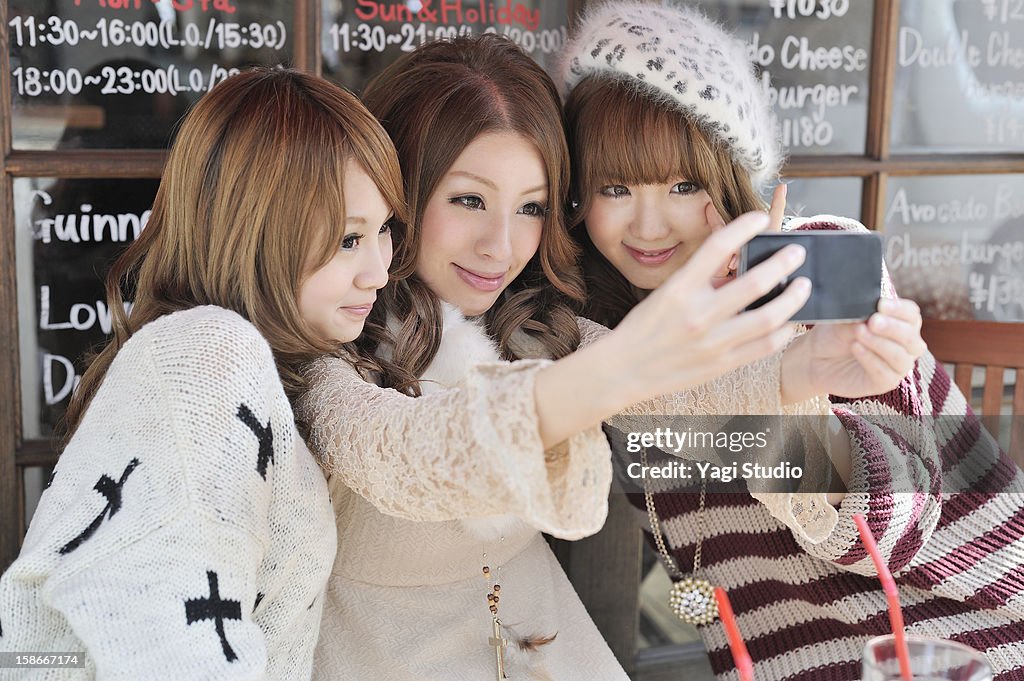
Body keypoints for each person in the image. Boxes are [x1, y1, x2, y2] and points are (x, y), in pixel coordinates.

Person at [295, 34, 823, 681]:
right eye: (468, 200)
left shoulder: (537, 326)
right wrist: (607, 373)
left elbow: (678, 397)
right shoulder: (332, 345)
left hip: (544, 637)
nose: (500, 244)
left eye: (532, 208)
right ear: (398, 186)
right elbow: (406, 450)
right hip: (376, 653)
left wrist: (808, 368)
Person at [557, 2, 1024, 678]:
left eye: (684, 184)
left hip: (968, 642)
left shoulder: (819, 271)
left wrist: (797, 379)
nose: (650, 224)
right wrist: (777, 381)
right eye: (616, 186)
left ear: (728, 174)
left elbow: (892, 535)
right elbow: (635, 388)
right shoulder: (595, 337)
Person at [0, 67, 407, 680]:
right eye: (349, 240)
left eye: (384, 231)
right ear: (258, 231)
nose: (378, 270)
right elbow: (172, 641)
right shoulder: (207, 358)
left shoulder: (218, 359)